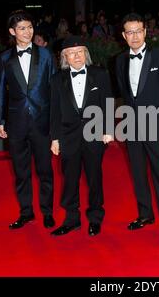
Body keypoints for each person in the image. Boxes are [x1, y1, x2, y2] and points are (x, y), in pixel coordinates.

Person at [115, 13, 159, 244]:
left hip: (155, 123)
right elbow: (125, 93)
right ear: (123, 35)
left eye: (138, 31)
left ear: (145, 31)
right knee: (138, 173)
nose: (134, 36)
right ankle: (145, 215)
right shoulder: (120, 61)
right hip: (131, 124)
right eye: (129, 32)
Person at [0, 10, 56, 230]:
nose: (27, 32)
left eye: (30, 27)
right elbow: (1, 90)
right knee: (21, 171)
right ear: (12, 32)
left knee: (45, 170)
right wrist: (1, 120)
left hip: (42, 122)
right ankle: (26, 212)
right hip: (17, 123)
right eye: (22, 28)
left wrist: (55, 121)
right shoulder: (4, 58)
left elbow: (54, 88)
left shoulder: (47, 55)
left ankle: (47, 212)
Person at [49, 36, 113, 237]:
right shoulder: (56, 79)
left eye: (80, 52)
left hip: (94, 134)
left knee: (95, 177)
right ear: (65, 57)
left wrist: (108, 130)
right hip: (68, 137)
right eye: (72, 53)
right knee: (70, 179)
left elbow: (108, 102)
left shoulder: (100, 74)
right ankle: (71, 219)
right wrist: (55, 138)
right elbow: (54, 111)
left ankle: (95, 218)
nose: (76, 56)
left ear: (85, 54)